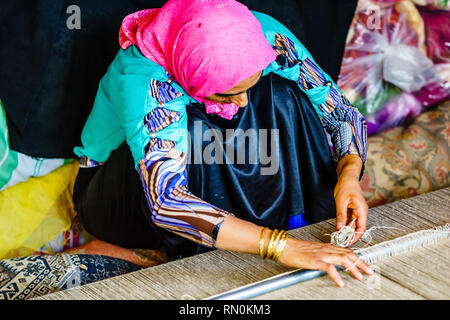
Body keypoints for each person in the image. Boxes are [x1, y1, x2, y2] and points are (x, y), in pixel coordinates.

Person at [72, 0, 373, 287]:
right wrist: (280, 247)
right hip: (117, 192)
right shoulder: (147, 82)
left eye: (246, 88)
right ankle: (214, 251)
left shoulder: (264, 36)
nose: (242, 102)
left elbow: (341, 114)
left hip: (215, 161)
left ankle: (289, 220)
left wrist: (348, 175)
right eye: (227, 95)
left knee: (284, 94)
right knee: (195, 128)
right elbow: (167, 201)